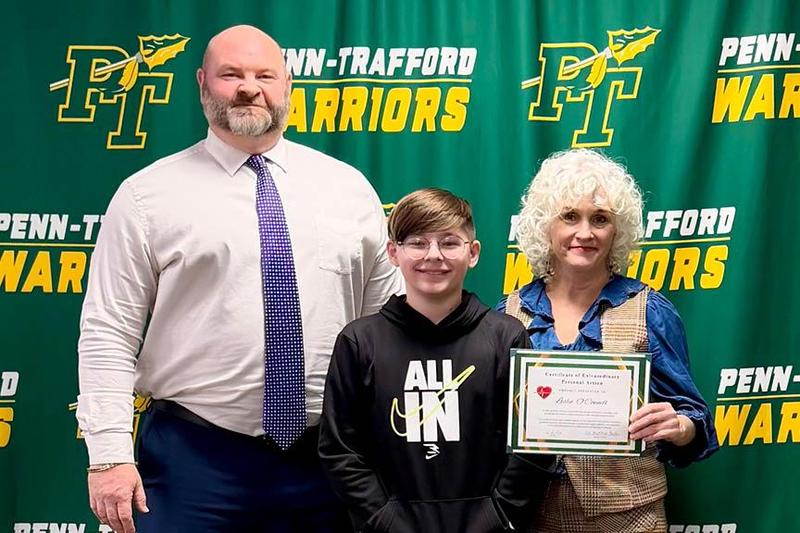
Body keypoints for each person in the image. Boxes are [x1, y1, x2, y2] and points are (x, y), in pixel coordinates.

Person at [76, 24, 402, 533]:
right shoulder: (147, 195)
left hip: (329, 460)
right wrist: (108, 456)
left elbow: (387, 328)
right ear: (203, 83)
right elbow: (108, 331)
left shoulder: (348, 189)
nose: (249, 87)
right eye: (232, 75)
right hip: (193, 456)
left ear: (288, 86)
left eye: (264, 75)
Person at [499, 149, 719, 533]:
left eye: (599, 219)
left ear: (618, 230)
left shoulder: (650, 310)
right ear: (545, 226)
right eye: (570, 216)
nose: (585, 232)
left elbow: (694, 421)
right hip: (528, 516)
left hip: (632, 518)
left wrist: (679, 425)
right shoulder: (508, 313)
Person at [319, 188, 556, 533]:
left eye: (449, 242)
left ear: (472, 253)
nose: (433, 255)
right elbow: (340, 450)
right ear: (392, 253)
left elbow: (532, 445)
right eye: (417, 242)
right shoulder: (359, 342)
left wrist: (497, 515)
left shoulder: (507, 337)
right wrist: (384, 519)